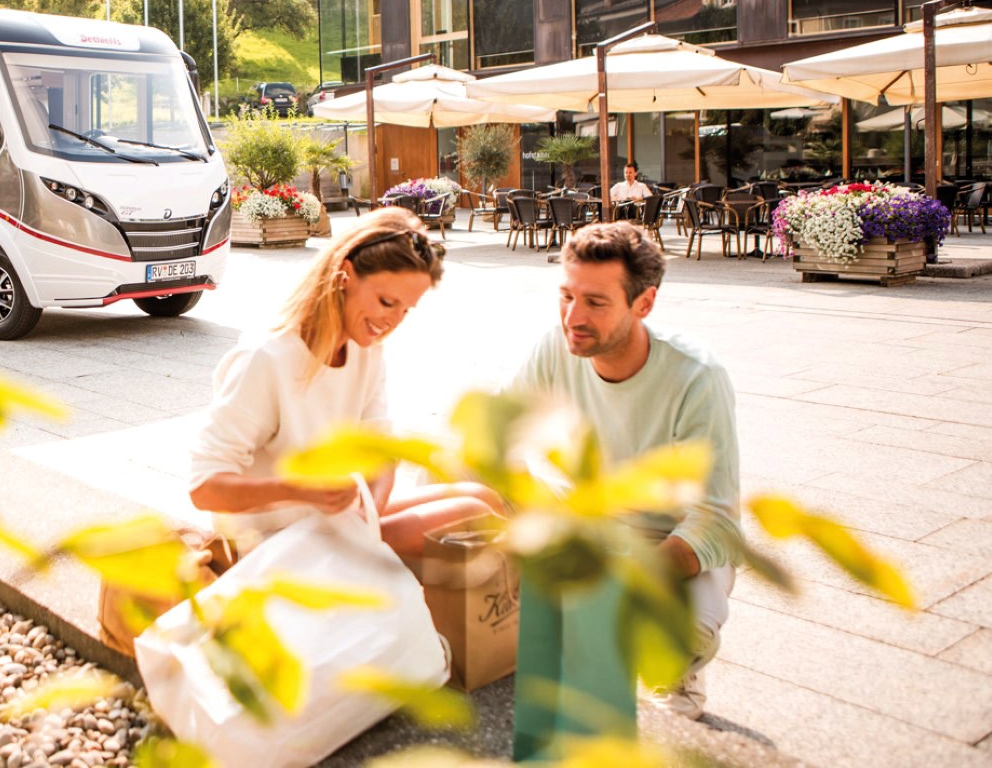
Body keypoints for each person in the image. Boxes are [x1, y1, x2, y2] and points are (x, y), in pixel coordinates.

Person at [505, 221, 741, 720]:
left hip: (664, 540)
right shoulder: (554, 348)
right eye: (566, 296)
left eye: (595, 302)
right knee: (456, 483)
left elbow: (717, 520)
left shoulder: (697, 376)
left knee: (687, 630)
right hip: (584, 521)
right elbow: (497, 436)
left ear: (644, 303)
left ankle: (673, 670)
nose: (573, 317)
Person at [189, 206, 503, 560]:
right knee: (472, 513)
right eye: (387, 302)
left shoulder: (365, 350)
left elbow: (380, 454)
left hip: (330, 522)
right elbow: (203, 487)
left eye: (405, 309)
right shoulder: (266, 359)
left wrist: (368, 515)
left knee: (484, 498)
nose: (393, 321)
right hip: (270, 544)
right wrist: (301, 490)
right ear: (345, 274)